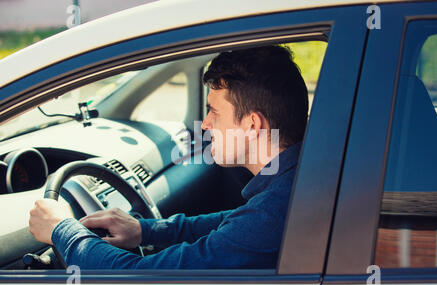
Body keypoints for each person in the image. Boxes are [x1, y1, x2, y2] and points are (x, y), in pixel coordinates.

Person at [28, 45, 309, 269]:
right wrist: (145, 230)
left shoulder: (271, 214)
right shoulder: (296, 181)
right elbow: (233, 221)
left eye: (214, 111)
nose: (206, 123)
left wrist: (61, 229)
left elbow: (139, 282)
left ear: (252, 125)